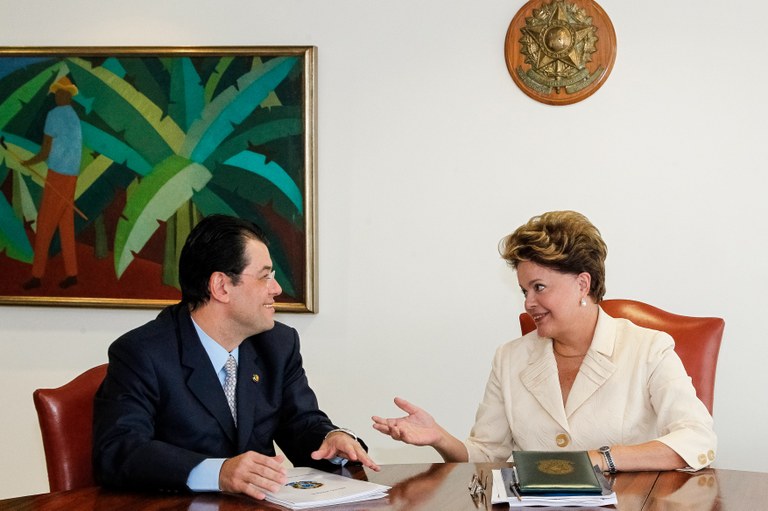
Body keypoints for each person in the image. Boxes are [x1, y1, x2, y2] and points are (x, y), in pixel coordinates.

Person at [372, 210, 716, 473]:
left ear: (583, 284)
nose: (528, 303)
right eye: (524, 291)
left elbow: (697, 438)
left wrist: (600, 458)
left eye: (539, 287)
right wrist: (438, 437)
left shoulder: (649, 349)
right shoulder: (509, 358)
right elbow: (486, 455)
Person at [94, 214, 378, 499]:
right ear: (221, 286)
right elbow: (119, 450)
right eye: (264, 276)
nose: (276, 289)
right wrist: (218, 472)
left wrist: (331, 438)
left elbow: (301, 424)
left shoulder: (278, 344)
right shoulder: (143, 352)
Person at [22, 75, 83, 290]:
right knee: (65, 225)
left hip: (58, 175)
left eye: (60, 92)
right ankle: (72, 273)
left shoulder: (54, 115)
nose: (57, 96)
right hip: (71, 177)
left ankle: (37, 275)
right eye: (57, 92)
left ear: (67, 95)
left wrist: (28, 162)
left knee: (46, 224)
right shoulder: (74, 117)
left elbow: (45, 150)